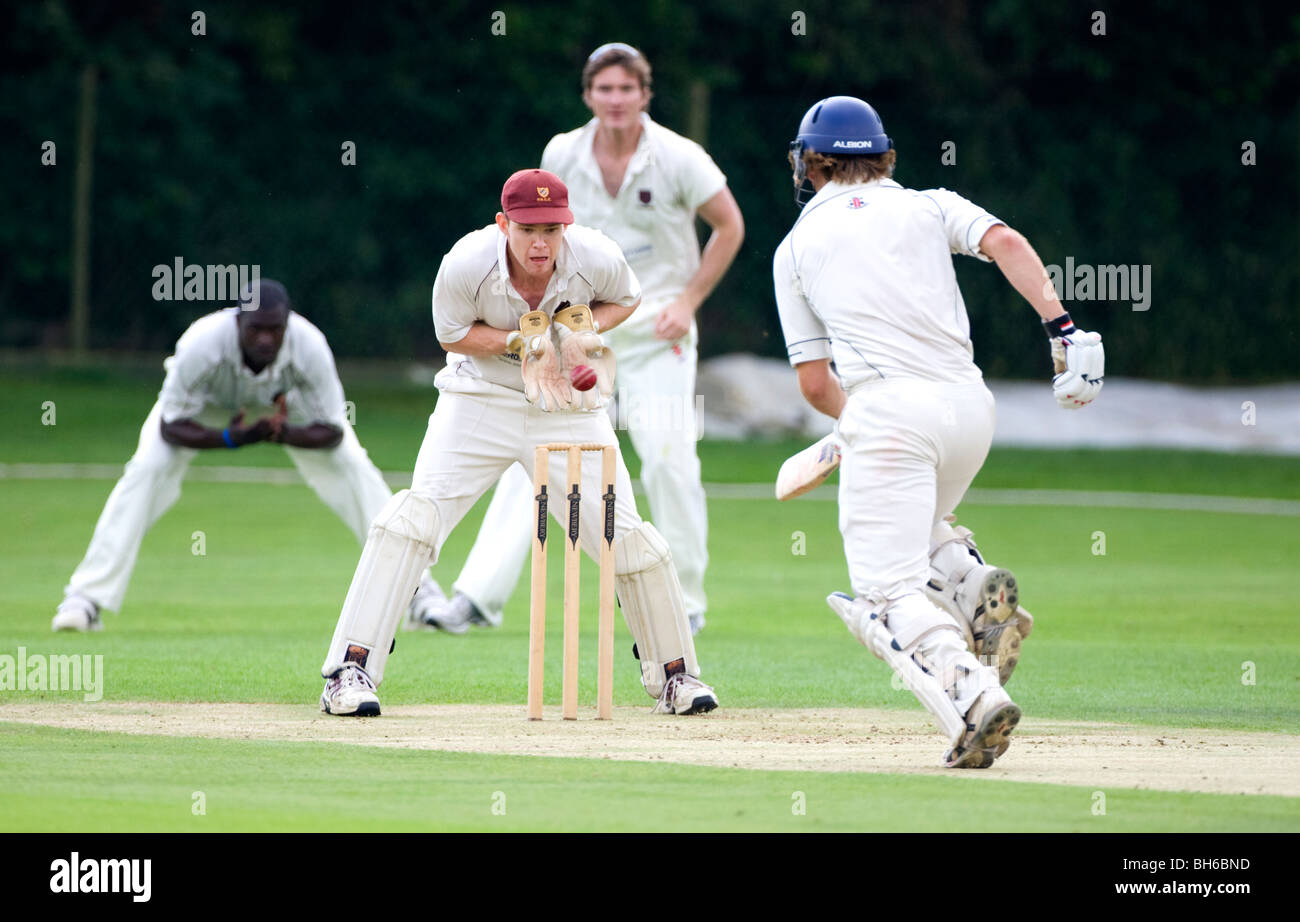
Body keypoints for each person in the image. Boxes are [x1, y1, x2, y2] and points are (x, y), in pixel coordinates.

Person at [774, 96, 1104, 767]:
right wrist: (1062, 329)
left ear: (809, 163)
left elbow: (814, 384)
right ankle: (965, 577)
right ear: (884, 156)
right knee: (919, 524)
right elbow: (1006, 243)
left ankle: (975, 696)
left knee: (885, 591)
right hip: (969, 409)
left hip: (888, 410)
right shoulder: (929, 203)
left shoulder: (795, 246)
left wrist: (858, 429)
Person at [318, 169, 718, 718]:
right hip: (479, 397)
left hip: (568, 408)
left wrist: (575, 332)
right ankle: (349, 670)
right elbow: (451, 334)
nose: (540, 242)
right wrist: (515, 338)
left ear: (566, 227)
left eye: (552, 229)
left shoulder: (594, 254)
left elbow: (626, 299)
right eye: (528, 228)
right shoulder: (467, 264)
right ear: (503, 224)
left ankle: (675, 676)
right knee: (411, 521)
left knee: (625, 536)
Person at [420, 42, 744, 637]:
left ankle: (684, 602)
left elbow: (730, 224)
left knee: (670, 460)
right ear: (588, 94)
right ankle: (475, 598)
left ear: (645, 95)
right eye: (605, 89)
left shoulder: (679, 156)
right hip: (567, 335)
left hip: (653, 332)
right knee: (537, 458)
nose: (616, 99)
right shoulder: (562, 152)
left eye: (627, 89)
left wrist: (689, 301)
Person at [52, 279, 447, 631]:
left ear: (287, 325)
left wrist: (282, 433)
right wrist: (231, 438)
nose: (265, 339)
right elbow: (171, 425)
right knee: (146, 470)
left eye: (274, 330)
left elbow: (331, 430)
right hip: (209, 407)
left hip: (286, 407)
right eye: (256, 329)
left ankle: (420, 592)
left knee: (354, 466)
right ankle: (85, 598)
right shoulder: (201, 342)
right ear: (237, 322)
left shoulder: (309, 345)